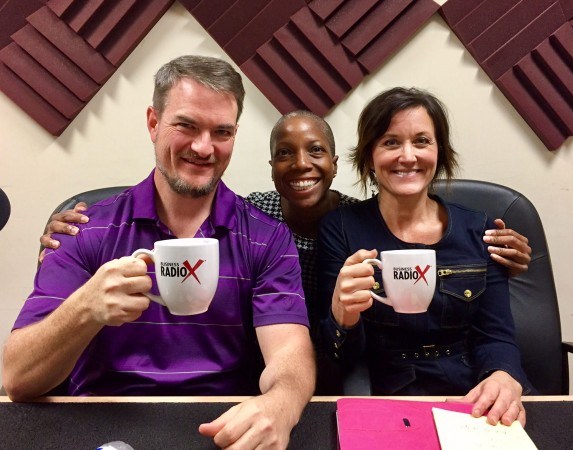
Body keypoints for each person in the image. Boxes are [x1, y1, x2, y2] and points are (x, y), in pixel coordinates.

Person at [38, 110, 533, 395]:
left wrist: (500, 257)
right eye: (284, 154)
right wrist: (68, 235)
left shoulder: (357, 225)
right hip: (266, 366)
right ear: (271, 165)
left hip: (331, 369)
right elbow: (183, 215)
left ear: (336, 163)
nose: (301, 164)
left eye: (316, 151)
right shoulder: (256, 219)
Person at [3, 55, 315, 449]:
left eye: (221, 132)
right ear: (153, 123)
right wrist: (86, 307)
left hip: (221, 427)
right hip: (101, 428)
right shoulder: (84, 230)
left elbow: (289, 352)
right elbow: (18, 379)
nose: (203, 147)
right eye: (186, 126)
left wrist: (282, 404)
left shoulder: (267, 237)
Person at [318, 87, 533, 427]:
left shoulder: (481, 230)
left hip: (472, 392)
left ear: (439, 151)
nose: (408, 156)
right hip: (387, 396)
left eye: (421, 141)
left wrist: (502, 374)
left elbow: (496, 335)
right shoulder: (341, 228)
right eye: (390, 142)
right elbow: (341, 357)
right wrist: (342, 317)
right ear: (369, 155)